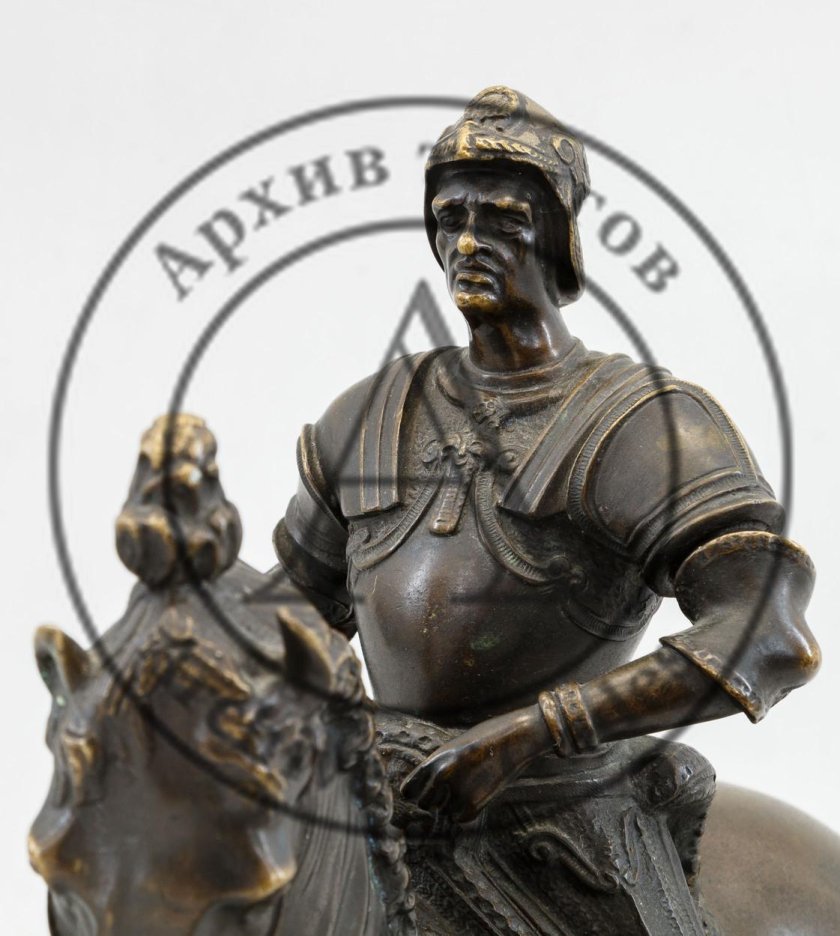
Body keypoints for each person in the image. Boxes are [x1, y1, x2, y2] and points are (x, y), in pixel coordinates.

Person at [273, 87, 819, 935]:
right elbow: (290, 615)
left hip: (559, 797)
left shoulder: (642, 424)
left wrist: (530, 733)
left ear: (558, 238)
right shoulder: (367, 415)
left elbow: (766, 631)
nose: (467, 242)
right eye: (450, 217)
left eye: (502, 219)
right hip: (381, 787)